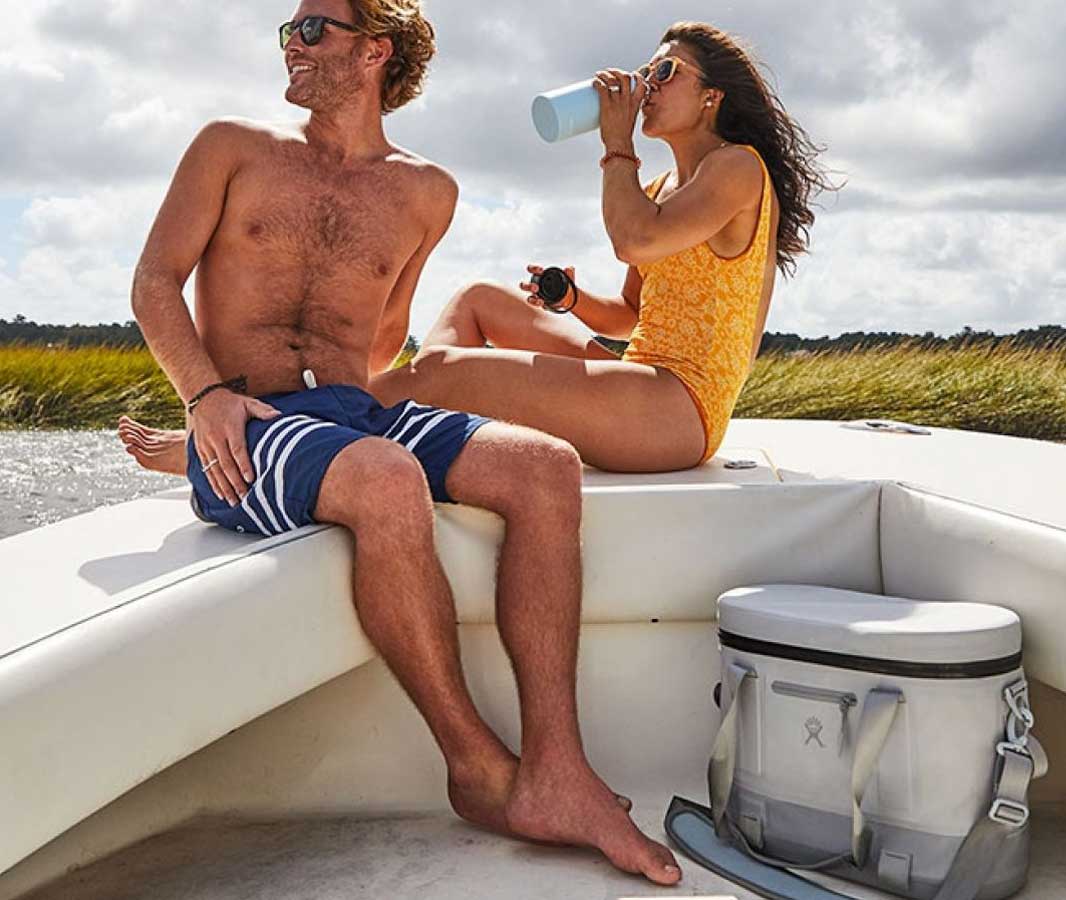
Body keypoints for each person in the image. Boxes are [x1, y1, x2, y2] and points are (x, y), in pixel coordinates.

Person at [128, 0, 680, 886]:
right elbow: (154, 282)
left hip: (351, 410)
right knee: (385, 479)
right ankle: (477, 766)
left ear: (373, 51)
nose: (291, 45)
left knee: (544, 467)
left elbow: (383, 342)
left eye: (313, 29)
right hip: (245, 422)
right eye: (289, 30)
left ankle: (557, 767)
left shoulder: (429, 192)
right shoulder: (231, 145)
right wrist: (203, 401)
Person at [120, 20, 837, 475]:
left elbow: (632, 239)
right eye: (646, 72)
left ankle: (258, 440)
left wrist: (614, 144)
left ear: (712, 99)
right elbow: (624, 315)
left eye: (666, 73)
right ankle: (374, 421)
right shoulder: (659, 191)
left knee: (436, 370)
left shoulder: (736, 168)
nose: (646, 85)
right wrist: (568, 300)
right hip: (641, 379)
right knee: (477, 301)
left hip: (677, 412)